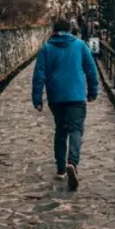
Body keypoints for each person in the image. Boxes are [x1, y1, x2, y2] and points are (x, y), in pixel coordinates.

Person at [32, 18, 99, 190]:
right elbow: (91, 70)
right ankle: (73, 163)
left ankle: (61, 168)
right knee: (76, 129)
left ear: (53, 30)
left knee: (61, 130)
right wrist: (92, 92)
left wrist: (37, 99)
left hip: (56, 97)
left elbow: (39, 75)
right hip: (76, 95)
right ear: (70, 30)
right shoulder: (80, 45)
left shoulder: (46, 49)